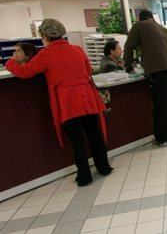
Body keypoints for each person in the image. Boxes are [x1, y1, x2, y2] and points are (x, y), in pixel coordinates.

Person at [6, 19, 113, 186]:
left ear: (45, 36)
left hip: (67, 101)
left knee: (77, 140)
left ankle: (84, 175)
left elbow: (24, 72)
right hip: (88, 97)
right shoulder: (77, 49)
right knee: (94, 135)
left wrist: (10, 62)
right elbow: (88, 70)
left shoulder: (46, 55)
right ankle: (104, 167)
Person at [123, 10, 167, 147]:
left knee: (161, 105)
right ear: (152, 18)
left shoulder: (138, 26)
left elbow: (128, 46)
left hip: (158, 71)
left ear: (140, 19)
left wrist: (128, 66)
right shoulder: (163, 28)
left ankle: (162, 138)